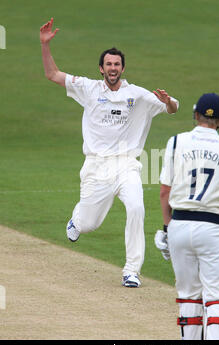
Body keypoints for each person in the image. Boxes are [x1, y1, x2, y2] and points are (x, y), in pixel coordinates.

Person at [40, 18, 179, 288]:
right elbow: (52, 75)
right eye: (108, 64)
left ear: (122, 68)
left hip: (127, 165)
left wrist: (168, 102)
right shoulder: (89, 88)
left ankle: (131, 270)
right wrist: (45, 45)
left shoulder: (137, 94)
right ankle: (77, 221)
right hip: (96, 167)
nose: (112, 68)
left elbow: (173, 109)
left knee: (137, 208)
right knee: (89, 224)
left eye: (117, 64)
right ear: (101, 69)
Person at [155, 93, 219, 340]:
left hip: (179, 224)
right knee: (218, 296)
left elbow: (165, 191)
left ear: (195, 115)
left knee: (188, 294)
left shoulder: (176, 142)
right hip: (213, 228)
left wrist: (166, 230)